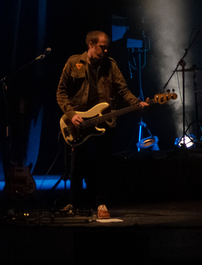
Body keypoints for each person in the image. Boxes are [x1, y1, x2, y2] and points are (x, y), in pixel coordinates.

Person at [57, 30, 147, 219]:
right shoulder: (74, 62)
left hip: (104, 121)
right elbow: (61, 92)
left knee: (103, 164)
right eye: (101, 47)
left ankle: (101, 203)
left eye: (107, 47)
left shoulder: (110, 65)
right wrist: (71, 115)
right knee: (76, 164)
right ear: (90, 45)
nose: (105, 50)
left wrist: (136, 103)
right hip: (79, 122)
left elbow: (123, 90)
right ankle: (73, 202)